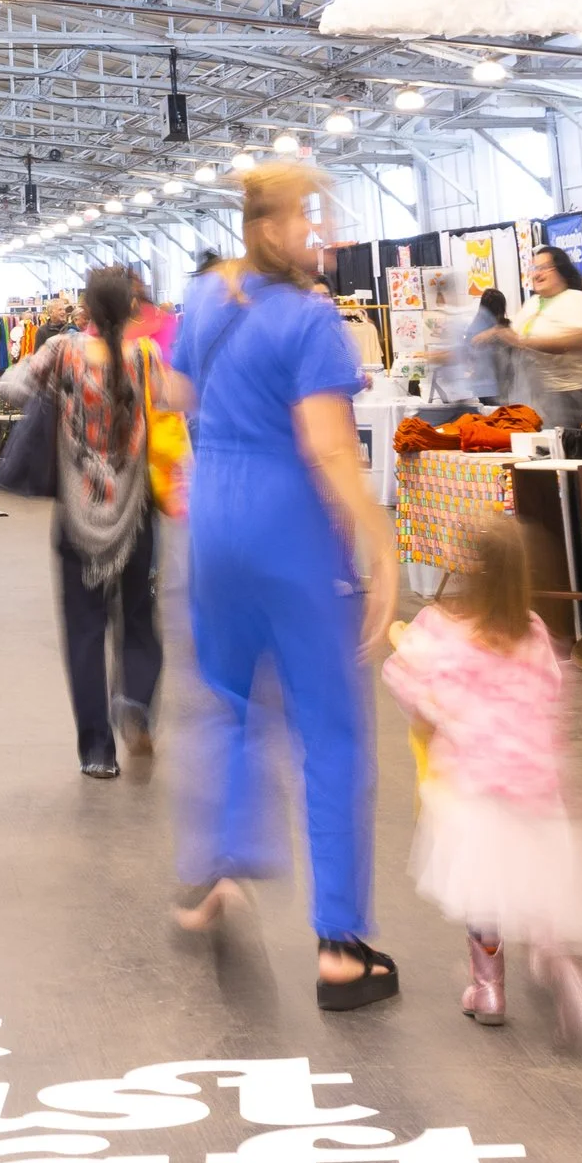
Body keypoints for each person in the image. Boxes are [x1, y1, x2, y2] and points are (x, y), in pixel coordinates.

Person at [170, 159, 403, 1010]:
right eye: (308, 216)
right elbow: (329, 448)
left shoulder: (205, 300)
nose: (320, 231)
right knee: (332, 730)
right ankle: (341, 945)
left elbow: (178, 393)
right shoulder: (313, 323)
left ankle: (220, 869)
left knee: (228, 699)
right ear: (269, 226)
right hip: (291, 524)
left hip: (215, 519)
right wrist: (380, 547)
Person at [382, 512, 582, 1042]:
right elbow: (551, 698)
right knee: (542, 882)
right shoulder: (536, 634)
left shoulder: (438, 631)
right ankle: (563, 966)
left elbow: (407, 684)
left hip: (472, 786)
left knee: (484, 890)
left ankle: (488, 987)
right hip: (538, 784)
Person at [0, 261, 163, 780]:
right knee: (137, 619)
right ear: (133, 309)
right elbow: (175, 401)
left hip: (77, 516)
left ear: (85, 309)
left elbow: (7, 388)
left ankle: (96, 750)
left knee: (84, 630)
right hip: (134, 513)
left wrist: (56, 392)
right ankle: (133, 696)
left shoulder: (62, 351)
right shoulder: (145, 356)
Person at [490, 243, 582, 424]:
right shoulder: (532, 303)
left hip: (575, 397)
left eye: (544, 268)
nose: (537, 274)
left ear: (560, 270)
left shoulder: (578, 300)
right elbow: (515, 336)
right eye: (534, 268)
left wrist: (526, 342)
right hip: (539, 396)